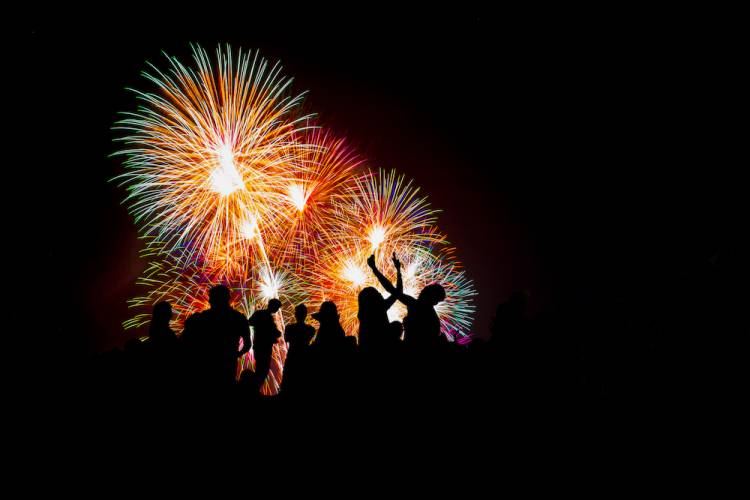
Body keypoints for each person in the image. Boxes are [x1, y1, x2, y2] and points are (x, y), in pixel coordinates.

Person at [368, 253, 446, 348]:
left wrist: (375, 269)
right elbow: (396, 292)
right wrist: (397, 270)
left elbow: (393, 291)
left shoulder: (418, 306)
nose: (421, 292)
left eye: (425, 291)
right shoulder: (426, 311)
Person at [181, 285, 250, 390]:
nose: (209, 300)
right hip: (228, 364)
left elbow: (186, 340)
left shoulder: (202, 317)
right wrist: (236, 354)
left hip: (206, 365)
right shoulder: (238, 318)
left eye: (211, 298)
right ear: (228, 299)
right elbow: (248, 344)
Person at [357, 253, 403, 350]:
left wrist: (374, 268)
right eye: (378, 294)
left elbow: (397, 292)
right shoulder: (380, 309)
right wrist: (398, 270)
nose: (381, 294)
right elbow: (398, 292)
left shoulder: (364, 316)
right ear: (374, 300)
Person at [248, 298, 282, 393]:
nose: (277, 310)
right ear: (273, 306)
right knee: (263, 370)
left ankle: (253, 389)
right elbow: (274, 332)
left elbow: (250, 322)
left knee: (260, 369)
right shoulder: (267, 317)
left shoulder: (260, 313)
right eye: (277, 307)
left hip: (258, 346)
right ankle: (253, 390)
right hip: (264, 347)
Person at [281, 304, 316, 396]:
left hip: (292, 357)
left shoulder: (289, 328)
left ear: (295, 315)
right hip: (305, 358)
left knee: (288, 384)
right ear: (305, 315)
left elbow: (286, 339)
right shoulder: (311, 329)